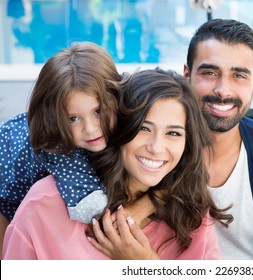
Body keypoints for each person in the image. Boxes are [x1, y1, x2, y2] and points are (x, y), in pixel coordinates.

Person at [90, 19, 253, 260]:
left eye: (239, 75)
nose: (223, 90)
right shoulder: (150, 150)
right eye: (209, 73)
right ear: (187, 74)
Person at [2, 68, 232, 260]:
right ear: (118, 127)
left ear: (187, 143)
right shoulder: (45, 203)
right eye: (143, 128)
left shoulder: (195, 218)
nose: (156, 147)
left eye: (173, 133)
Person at [0, 41, 149, 257]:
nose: (90, 129)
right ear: (53, 117)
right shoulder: (59, 149)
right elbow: (93, 211)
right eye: (72, 118)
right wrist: (152, 201)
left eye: (98, 111)